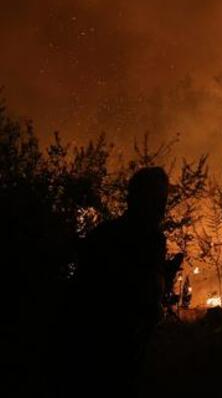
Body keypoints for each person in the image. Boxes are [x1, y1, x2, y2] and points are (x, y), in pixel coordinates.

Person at [65, 167, 174, 397]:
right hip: (111, 341)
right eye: (157, 200)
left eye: (162, 201)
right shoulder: (150, 240)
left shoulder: (103, 233)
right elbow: (145, 295)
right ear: (140, 200)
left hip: (93, 342)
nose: (161, 209)